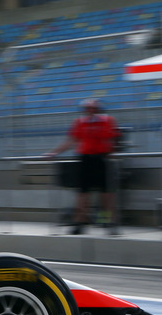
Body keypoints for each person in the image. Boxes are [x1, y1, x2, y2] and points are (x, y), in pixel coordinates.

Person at [46, 98, 121, 235]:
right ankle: (80, 223)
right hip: (85, 159)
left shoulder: (107, 120)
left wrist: (112, 154)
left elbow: (113, 140)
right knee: (83, 194)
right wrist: (54, 152)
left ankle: (106, 222)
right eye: (88, 108)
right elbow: (71, 141)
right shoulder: (80, 122)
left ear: (99, 109)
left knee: (106, 193)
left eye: (93, 108)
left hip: (102, 158)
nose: (90, 111)